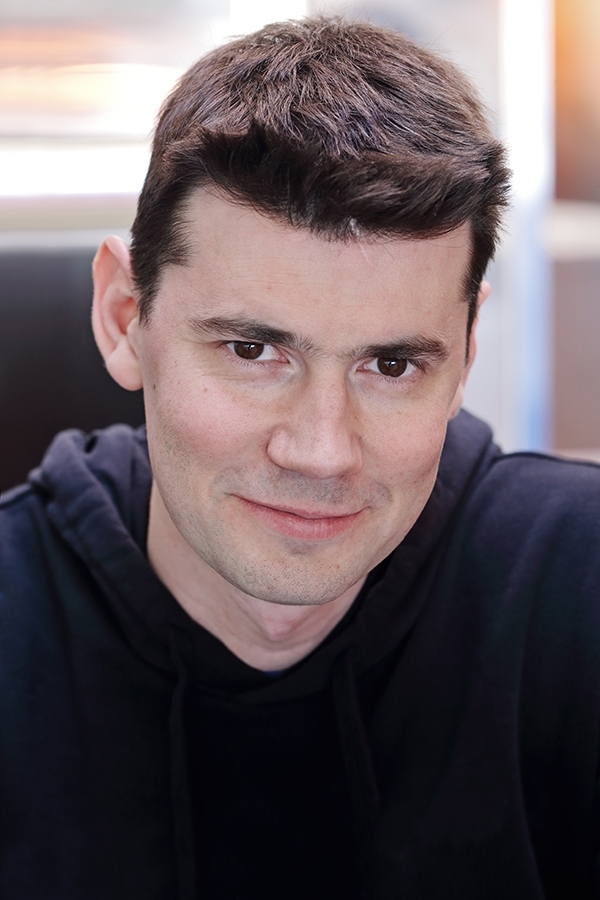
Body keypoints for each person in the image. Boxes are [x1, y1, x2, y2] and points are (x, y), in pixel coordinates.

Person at [1, 15, 599, 900]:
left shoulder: (578, 591)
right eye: (253, 351)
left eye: (391, 366)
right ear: (126, 318)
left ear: (467, 354)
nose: (322, 452)